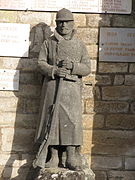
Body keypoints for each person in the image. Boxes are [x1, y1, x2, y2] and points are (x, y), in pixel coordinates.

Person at [33, 8, 91, 171]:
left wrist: (73, 66)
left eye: (67, 22)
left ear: (73, 24)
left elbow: (87, 68)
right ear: (56, 24)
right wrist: (54, 70)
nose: (63, 25)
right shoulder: (48, 43)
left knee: (72, 121)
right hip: (52, 87)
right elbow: (40, 63)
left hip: (71, 89)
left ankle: (71, 155)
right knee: (52, 120)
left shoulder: (79, 44)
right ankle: (54, 156)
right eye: (60, 22)